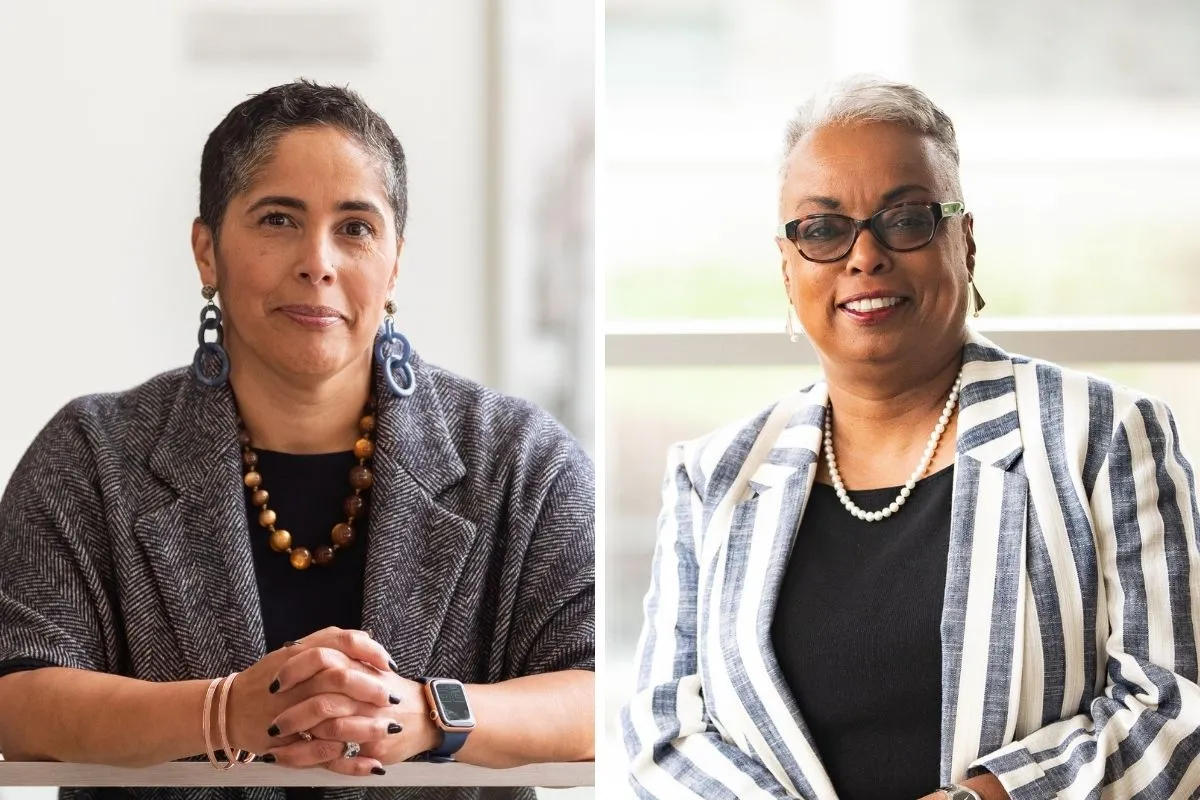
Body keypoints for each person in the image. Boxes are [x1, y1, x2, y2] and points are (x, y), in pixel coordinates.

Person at [0, 80, 595, 800]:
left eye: (355, 227)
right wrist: (226, 713)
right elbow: (16, 694)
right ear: (206, 252)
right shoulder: (92, 454)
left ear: (395, 262)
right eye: (278, 219)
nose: (319, 261)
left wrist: (429, 714)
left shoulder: (521, 458)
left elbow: (603, 692)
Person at [621, 75, 1200, 800]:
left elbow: (1175, 711)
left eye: (905, 218)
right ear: (788, 267)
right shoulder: (713, 475)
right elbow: (664, 731)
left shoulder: (1106, 434)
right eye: (823, 229)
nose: (865, 256)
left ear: (965, 241)